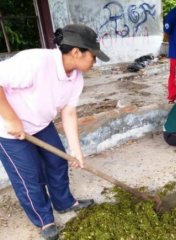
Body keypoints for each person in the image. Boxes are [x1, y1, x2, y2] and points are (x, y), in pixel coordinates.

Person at [0, 24, 110, 240]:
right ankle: (44, 220)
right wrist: (11, 119)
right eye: (93, 56)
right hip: (8, 130)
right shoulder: (35, 62)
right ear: (77, 52)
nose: (95, 62)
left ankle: (64, 202)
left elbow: (68, 112)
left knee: (58, 161)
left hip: (40, 124)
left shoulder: (76, 77)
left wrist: (76, 151)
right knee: (29, 177)